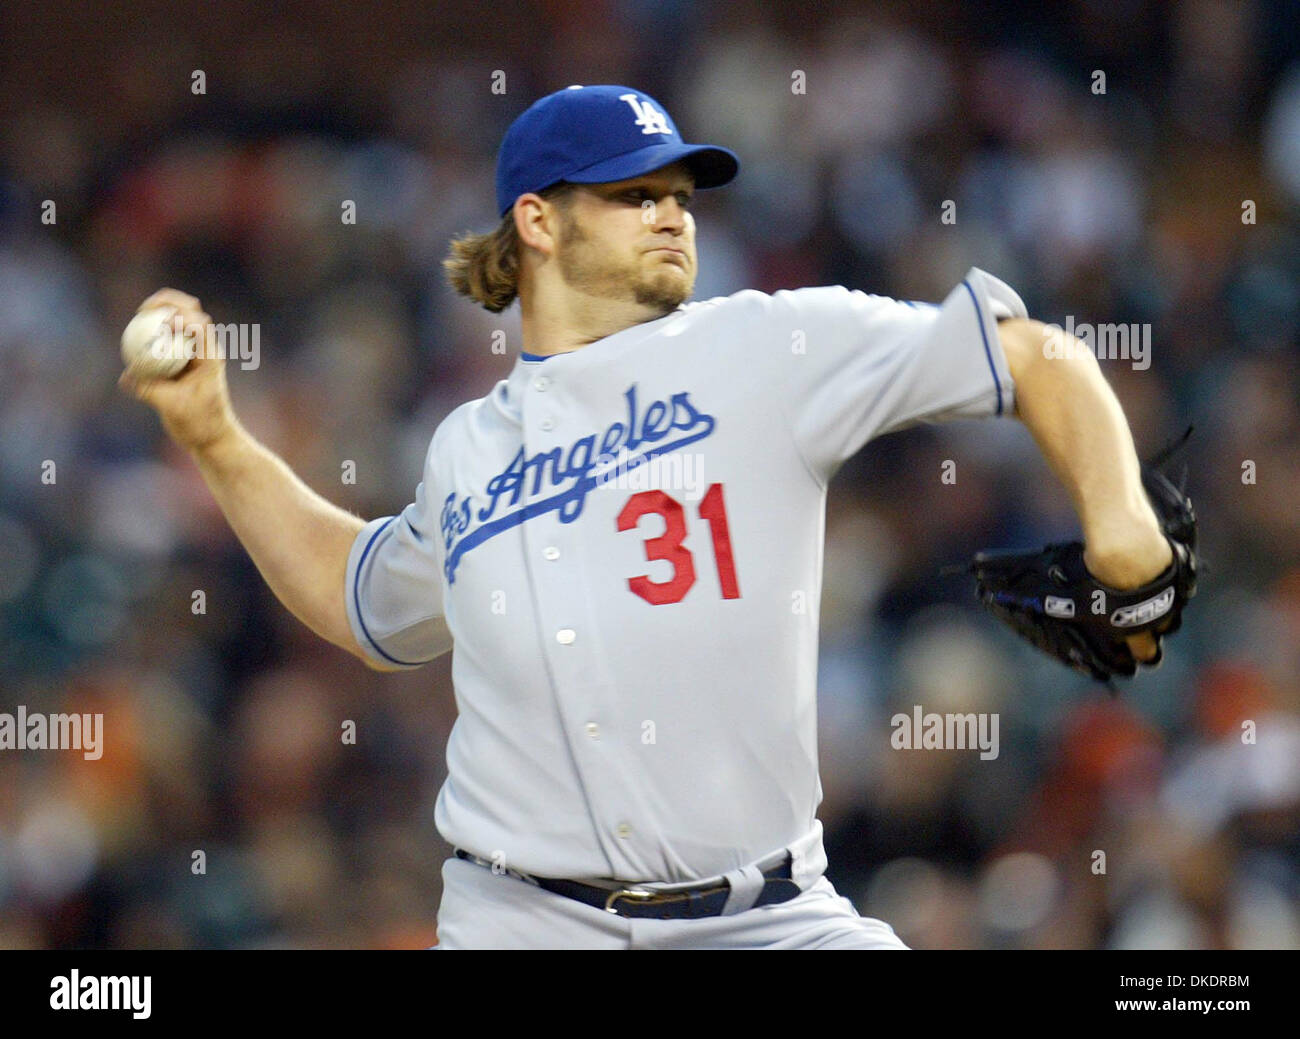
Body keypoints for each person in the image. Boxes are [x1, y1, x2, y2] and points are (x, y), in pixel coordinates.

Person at [122, 85, 1173, 949]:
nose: (673, 212)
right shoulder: (465, 448)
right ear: (536, 220)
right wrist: (216, 437)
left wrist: (1121, 525)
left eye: (680, 192)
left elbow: (1034, 352)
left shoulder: (770, 344)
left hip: (768, 920)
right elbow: (363, 600)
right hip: (521, 920)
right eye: (633, 193)